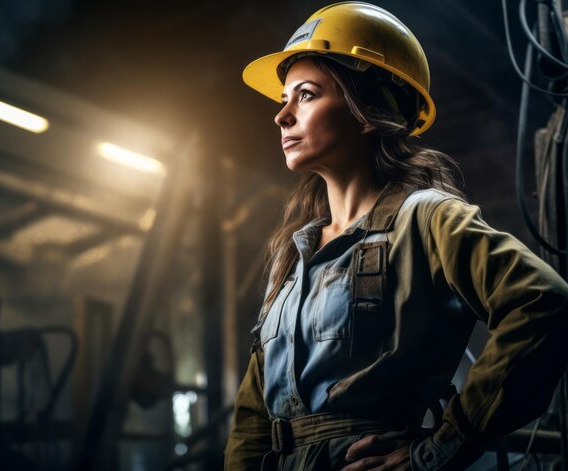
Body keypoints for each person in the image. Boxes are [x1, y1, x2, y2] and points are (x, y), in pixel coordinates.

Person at [225, 3, 568, 470]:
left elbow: (542, 302)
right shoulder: (293, 255)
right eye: (283, 99)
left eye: (305, 95)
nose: (281, 116)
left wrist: (438, 450)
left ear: (367, 111)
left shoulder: (426, 219)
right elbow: (253, 415)